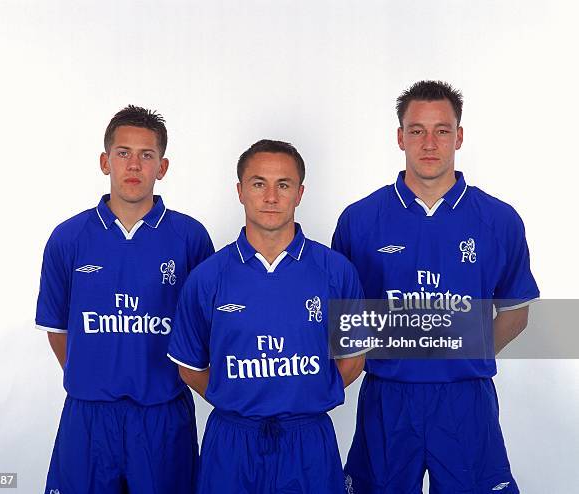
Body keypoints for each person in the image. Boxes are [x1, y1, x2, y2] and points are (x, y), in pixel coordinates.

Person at [333, 81, 539, 493]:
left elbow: (516, 312)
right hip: (388, 398)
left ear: (459, 136)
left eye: (442, 130)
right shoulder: (360, 219)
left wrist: (465, 349)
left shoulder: (498, 220)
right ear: (400, 137)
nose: (430, 143)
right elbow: (342, 319)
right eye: (417, 130)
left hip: (466, 400)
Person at [168, 139, 367, 494]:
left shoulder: (336, 271)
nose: (271, 196)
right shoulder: (207, 277)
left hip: (309, 440)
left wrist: (309, 393)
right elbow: (190, 367)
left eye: (283, 185)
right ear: (240, 191)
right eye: (259, 184)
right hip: (232, 441)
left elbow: (354, 359)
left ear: (300, 193)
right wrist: (237, 398)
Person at [35, 105, 214, 494]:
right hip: (88, 415)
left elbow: (204, 335)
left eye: (146, 155)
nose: (134, 165)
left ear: (162, 167)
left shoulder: (191, 239)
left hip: (163, 414)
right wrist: (95, 375)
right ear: (105, 161)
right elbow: (57, 329)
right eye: (123, 153)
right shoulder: (68, 238)